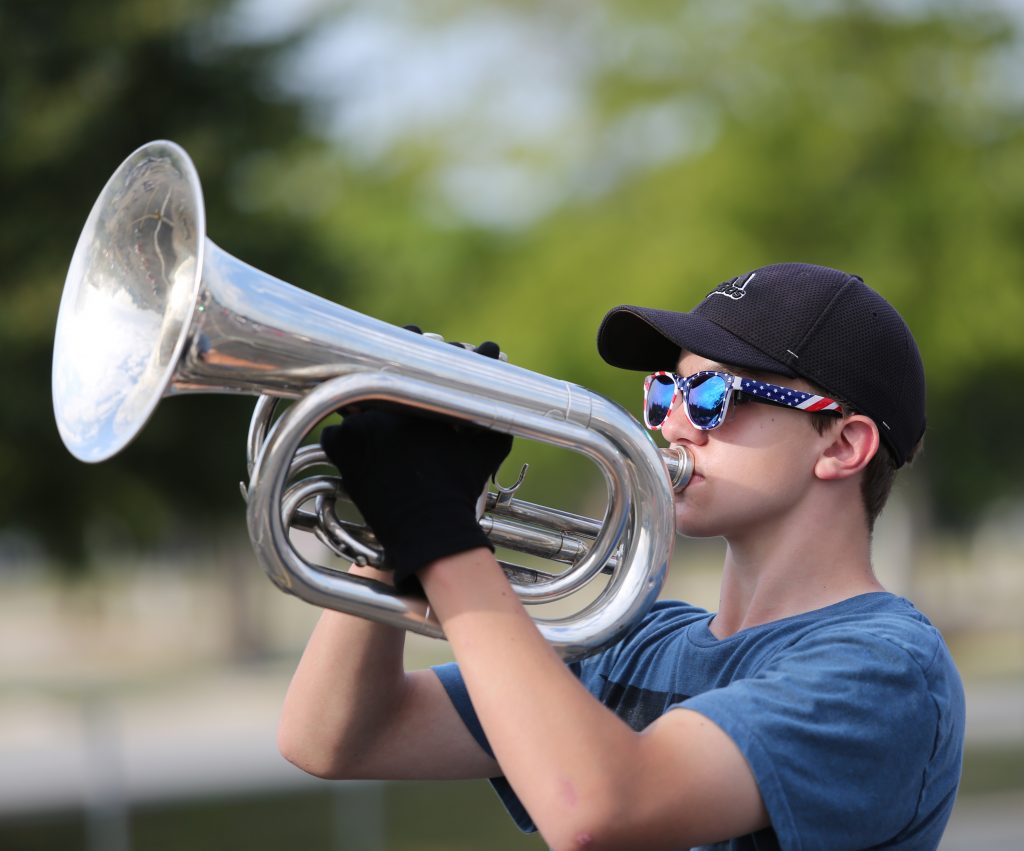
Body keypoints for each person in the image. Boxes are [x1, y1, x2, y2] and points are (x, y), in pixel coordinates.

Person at [277, 262, 965, 850]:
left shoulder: (885, 671)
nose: (669, 420)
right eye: (665, 389)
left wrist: (438, 528)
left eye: (711, 395)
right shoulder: (636, 640)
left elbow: (597, 810)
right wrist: (388, 530)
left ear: (843, 445)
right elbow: (335, 738)